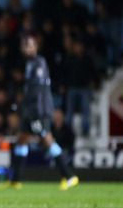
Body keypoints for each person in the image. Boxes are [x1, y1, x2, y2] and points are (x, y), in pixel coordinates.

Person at [6, 34, 79, 190]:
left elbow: (37, 90)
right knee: (21, 140)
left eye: (30, 45)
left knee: (47, 140)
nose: (27, 48)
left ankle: (70, 176)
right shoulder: (29, 64)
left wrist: (32, 111)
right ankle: (16, 180)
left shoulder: (39, 63)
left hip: (39, 110)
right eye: (25, 45)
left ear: (36, 47)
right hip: (30, 109)